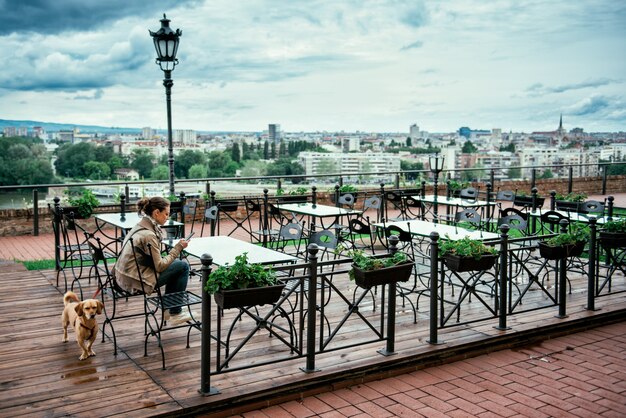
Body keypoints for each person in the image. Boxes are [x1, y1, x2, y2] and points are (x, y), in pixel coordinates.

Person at [114, 196, 192, 324]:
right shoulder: (149, 235)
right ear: (156, 213)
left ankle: (171, 308)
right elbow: (160, 266)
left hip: (122, 276)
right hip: (135, 281)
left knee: (177, 265)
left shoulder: (139, 226)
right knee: (182, 266)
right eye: (166, 214)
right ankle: (174, 312)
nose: (168, 217)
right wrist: (178, 247)